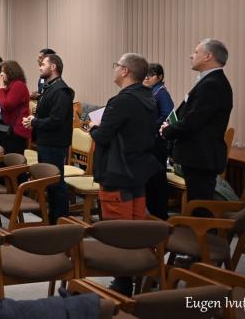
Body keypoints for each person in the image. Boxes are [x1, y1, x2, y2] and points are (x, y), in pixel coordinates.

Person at [89, 53, 160, 296]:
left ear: (125, 71)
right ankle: (144, 275)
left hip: (117, 171)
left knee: (118, 230)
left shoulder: (121, 101)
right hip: (137, 171)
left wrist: (93, 128)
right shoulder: (149, 98)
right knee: (137, 228)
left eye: (116, 65)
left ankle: (123, 282)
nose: (114, 69)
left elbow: (103, 136)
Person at [161, 39, 233, 204]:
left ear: (208, 56)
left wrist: (167, 131)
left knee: (200, 206)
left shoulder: (212, 84)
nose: (191, 56)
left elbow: (192, 121)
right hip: (197, 155)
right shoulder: (209, 81)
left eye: (195, 52)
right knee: (197, 202)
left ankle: (200, 223)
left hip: (201, 156)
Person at [22, 54, 72, 224]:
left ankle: (61, 220)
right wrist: (34, 119)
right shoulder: (50, 87)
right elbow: (47, 113)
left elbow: (56, 120)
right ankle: (52, 219)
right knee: (49, 182)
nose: (40, 67)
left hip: (54, 143)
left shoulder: (61, 90)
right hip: (45, 140)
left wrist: (35, 122)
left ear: (53, 67)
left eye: (43, 64)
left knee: (56, 182)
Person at [143, 63, 174, 220]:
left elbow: (167, 114)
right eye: (146, 74)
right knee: (149, 179)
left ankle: (161, 214)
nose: (147, 77)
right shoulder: (150, 91)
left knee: (158, 179)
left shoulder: (161, 93)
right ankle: (152, 213)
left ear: (160, 77)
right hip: (149, 141)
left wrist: (151, 126)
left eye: (151, 74)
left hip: (158, 142)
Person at [0, 60, 31, 155]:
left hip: (15, 131)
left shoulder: (19, 85)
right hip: (6, 129)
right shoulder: (8, 86)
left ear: (11, 72)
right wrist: (0, 89)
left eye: (3, 71)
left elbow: (7, 105)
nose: (1, 74)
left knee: (12, 159)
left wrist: (0, 90)